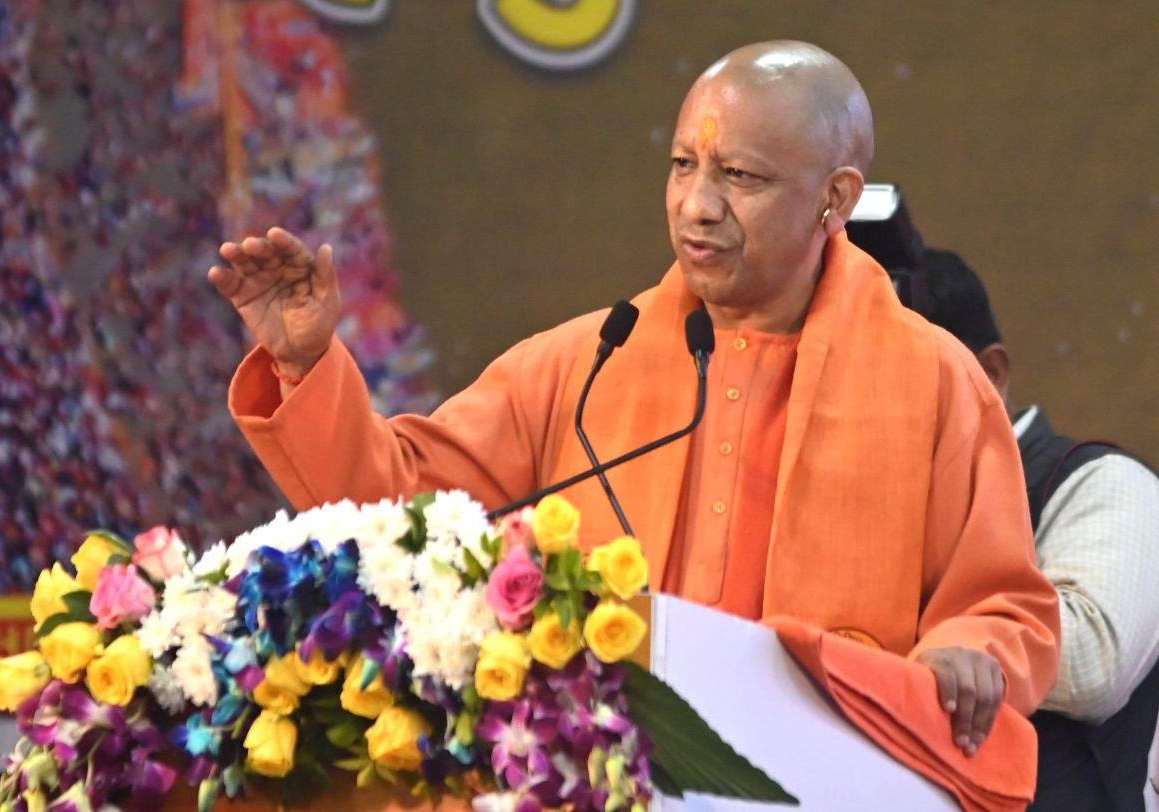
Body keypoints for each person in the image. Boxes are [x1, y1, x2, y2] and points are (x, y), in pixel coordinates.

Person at [210, 41, 1059, 759]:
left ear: (834, 198)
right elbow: (401, 500)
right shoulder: (589, 361)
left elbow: (1003, 607)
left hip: (828, 773)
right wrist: (307, 364)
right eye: (684, 166)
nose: (698, 205)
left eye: (740, 176)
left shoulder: (932, 382)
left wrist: (966, 650)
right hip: (601, 772)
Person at [913, 247, 1159, 810]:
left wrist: (944, 635)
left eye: (896, 383)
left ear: (991, 373)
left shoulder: (1102, 481)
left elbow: (1093, 663)